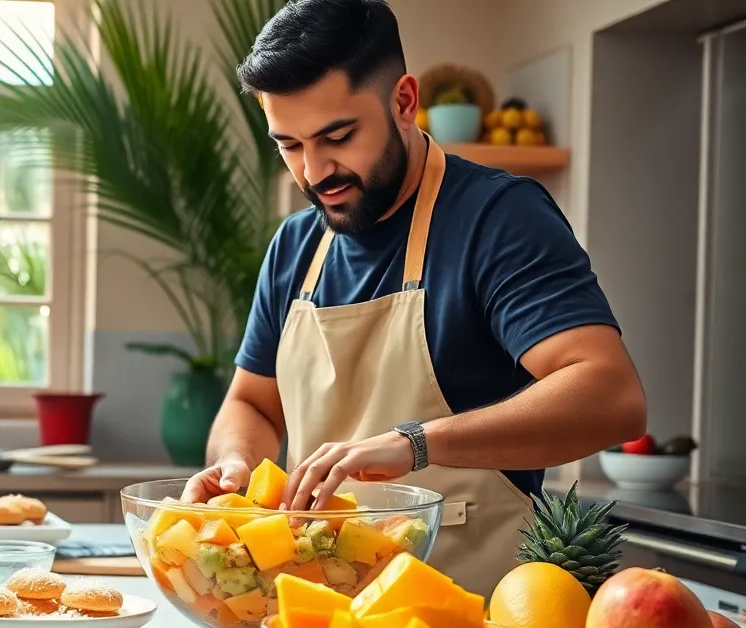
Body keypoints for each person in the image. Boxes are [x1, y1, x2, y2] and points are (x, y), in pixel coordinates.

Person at [183, 0, 647, 596]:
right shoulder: (295, 246)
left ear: (404, 101)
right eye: (289, 145)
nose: (314, 172)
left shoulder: (498, 218)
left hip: (478, 621)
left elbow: (611, 396)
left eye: (337, 136)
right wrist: (236, 464)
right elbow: (252, 403)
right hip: (315, 624)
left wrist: (418, 444)